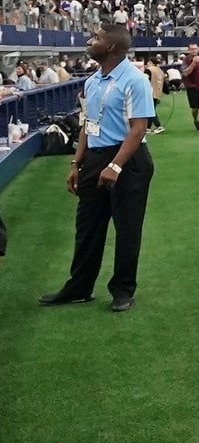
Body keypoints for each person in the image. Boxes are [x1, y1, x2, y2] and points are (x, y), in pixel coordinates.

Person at [38, 24, 155, 313]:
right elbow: (86, 127)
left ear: (112, 47)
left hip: (128, 161)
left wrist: (116, 164)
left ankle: (123, 290)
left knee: (127, 228)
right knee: (87, 225)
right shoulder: (92, 82)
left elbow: (138, 129)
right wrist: (76, 163)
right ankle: (79, 287)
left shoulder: (135, 81)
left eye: (97, 39)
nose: (90, 42)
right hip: (94, 158)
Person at [145, 55, 165, 134]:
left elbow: (144, 80)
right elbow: (164, 84)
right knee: (151, 109)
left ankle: (158, 126)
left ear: (150, 62)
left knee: (150, 111)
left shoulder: (148, 70)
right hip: (157, 94)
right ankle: (148, 128)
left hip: (149, 93)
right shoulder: (160, 71)